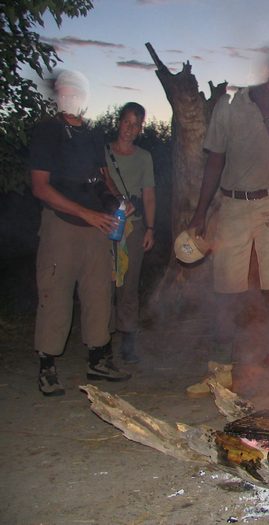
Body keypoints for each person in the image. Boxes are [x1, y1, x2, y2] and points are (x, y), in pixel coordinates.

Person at [188, 46, 269, 396]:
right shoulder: (229, 104)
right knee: (226, 292)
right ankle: (220, 374)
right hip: (233, 206)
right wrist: (199, 212)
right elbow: (214, 161)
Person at [29, 70, 132, 396]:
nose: (71, 95)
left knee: (99, 292)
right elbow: (40, 188)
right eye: (66, 90)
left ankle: (98, 359)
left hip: (97, 227)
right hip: (61, 224)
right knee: (55, 291)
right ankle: (47, 366)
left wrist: (117, 203)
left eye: (77, 90)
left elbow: (101, 182)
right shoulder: (48, 132)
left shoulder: (90, 136)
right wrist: (86, 212)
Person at [105, 102, 156, 364]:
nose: (130, 129)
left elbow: (149, 195)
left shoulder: (144, 157)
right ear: (119, 121)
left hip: (133, 227)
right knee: (103, 282)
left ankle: (128, 341)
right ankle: (101, 338)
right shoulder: (102, 153)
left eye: (136, 125)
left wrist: (150, 227)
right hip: (104, 225)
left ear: (140, 128)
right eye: (127, 122)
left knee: (129, 284)